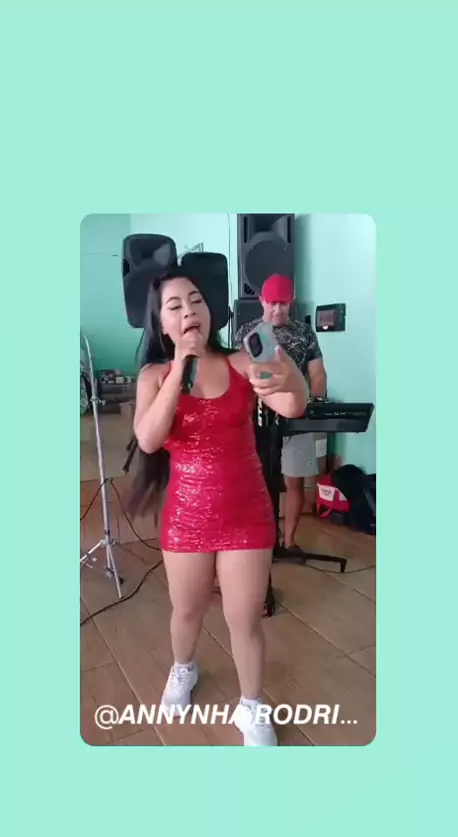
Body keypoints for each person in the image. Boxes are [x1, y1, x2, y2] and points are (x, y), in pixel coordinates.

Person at [127, 267, 308, 747]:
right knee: (186, 611)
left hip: (247, 513)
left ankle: (252, 705)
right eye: (175, 306)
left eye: (196, 300)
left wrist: (292, 377)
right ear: (161, 323)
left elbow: (293, 405)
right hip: (186, 516)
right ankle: (183, 667)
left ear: (210, 311)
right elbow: (149, 439)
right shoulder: (153, 377)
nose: (189, 310)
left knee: (244, 620)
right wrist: (179, 368)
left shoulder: (242, 362)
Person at [235, 274, 327, 553]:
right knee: (256, 483)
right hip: (258, 419)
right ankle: (261, 541)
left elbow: (317, 373)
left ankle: (289, 541)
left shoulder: (305, 333)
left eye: (283, 304)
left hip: (297, 417)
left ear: (292, 302)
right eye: (272, 303)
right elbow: (238, 376)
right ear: (261, 301)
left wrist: (314, 402)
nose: (277, 310)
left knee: (294, 482)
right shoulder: (248, 332)